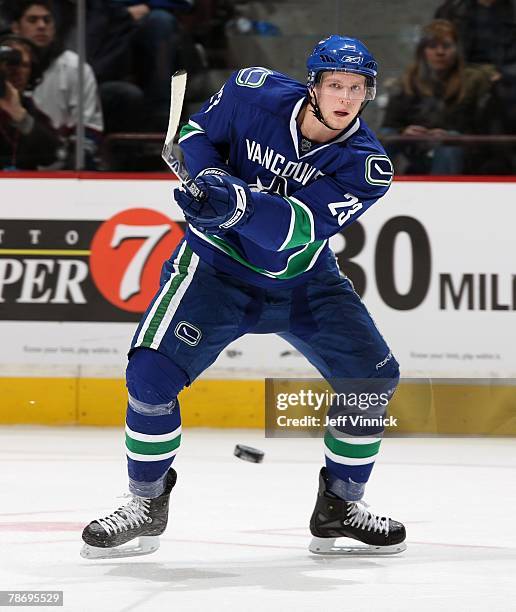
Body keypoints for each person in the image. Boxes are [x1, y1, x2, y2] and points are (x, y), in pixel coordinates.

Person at [81, 35, 406, 559]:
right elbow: (195, 133)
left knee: (371, 379)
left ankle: (339, 507)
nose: (346, 99)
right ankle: (146, 501)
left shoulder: (367, 166)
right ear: (314, 86)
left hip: (304, 283)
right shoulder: (252, 91)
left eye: (357, 89)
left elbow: (296, 228)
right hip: (213, 271)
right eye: (336, 85)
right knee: (149, 375)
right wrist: (206, 173)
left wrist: (235, 203)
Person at [380, 19, 495, 174]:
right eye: (433, 46)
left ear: (456, 50)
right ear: (423, 51)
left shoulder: (472, 82)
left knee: (449, 145)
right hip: (415, 151)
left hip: (459, 154)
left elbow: (482, 131)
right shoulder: (406, 82)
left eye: (446, 46)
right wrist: (404, 132)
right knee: (388, 137)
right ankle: (370, 188)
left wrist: (449, 135)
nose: (440, 52)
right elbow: (389, 126)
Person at [8, 0, 103, 168]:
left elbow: (87, 138)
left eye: (47, 20)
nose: (41, 26)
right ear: (15, 27)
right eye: (33, 20)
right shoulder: (4, 67)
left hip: (60, 173)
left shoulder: (76, 68)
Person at [0, 34, 60, 169]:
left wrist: (21, 117)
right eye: (11, 63)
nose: (18, 71)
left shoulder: (32, 111)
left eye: (25, 65)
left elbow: (53, 156)